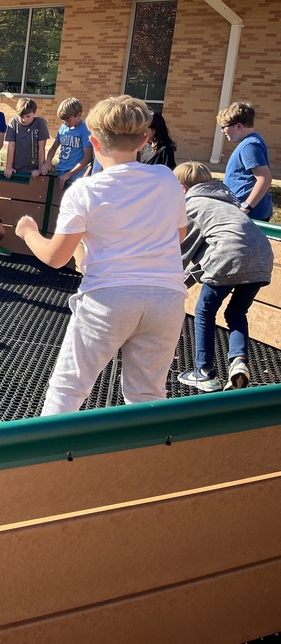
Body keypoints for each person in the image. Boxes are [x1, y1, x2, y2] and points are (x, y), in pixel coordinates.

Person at [16, 95, 187, 416]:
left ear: (93, 141)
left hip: (109, 298)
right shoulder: (166, 179)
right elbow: (177, 235)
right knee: (148, 393)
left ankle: (49, 461)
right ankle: (143, 464)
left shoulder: (84, 191)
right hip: (167, 299)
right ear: (144, 139)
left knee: (69, 386)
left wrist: (28, 233)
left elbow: (55, 257)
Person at [174, 162, 273, 392]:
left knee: (205, 311)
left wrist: (169, 283)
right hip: (262, 256)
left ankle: (205, 372)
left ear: (182, 188)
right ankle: (239, 362)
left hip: (229, 255)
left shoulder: (192, 206)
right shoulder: (227, 203)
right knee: (236, 312)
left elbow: (180, 253)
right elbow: (208, 255)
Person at [220, 102, 272, 221]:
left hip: (250, 214)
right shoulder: (251, 142)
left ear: (238, 126)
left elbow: (264, 178)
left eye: (224, 127)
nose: (223, 131)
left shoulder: (249, 146)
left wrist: (246, 207)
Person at [40, 97, 93, 188]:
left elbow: (88, 157)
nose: (65, 123)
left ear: (79, 115)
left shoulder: (85, 130)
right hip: (60, 170)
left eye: (68, 120)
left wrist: (69, 174)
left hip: (76, 173)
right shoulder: (63, 127)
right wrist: (48, 162)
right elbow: (53, 148)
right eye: (63, 121)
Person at [3, 98, 50, 179]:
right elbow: (11, 146)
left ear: (34, 113)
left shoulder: (40, 123)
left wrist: (40, 169)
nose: (24, 119)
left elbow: (41, 148)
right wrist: (9, 167)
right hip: (16, 168)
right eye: (21, 116)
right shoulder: (13, 122)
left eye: (28, 116)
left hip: (33, 169)